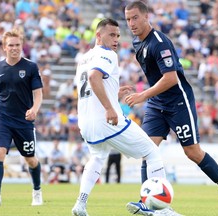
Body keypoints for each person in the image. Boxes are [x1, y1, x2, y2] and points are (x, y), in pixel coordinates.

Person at [124, 1, 218, 216]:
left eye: (135, 18)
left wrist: (142, 95)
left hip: (178, 101)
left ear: (146, 16)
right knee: (147, 150)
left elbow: (170, 78)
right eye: (128, 19)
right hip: (157, 103)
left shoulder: (160, 43)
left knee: (192, 152)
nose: (131, 23)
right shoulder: (136, 42)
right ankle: (146, 202)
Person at [71, 18, 182, 216]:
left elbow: (88, 87)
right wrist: (110, 108)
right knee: (152, 152)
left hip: (86, 122)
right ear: (98, 35)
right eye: (111, 35)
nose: (116, 40)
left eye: (118, 36)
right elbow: (94, 78)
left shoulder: (84, 58)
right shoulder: (108, 54)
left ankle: (80, 204)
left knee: (97, 158)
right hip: (107, 120)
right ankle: (161, 209)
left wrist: (114, 91)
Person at [0, 28, 43, 206]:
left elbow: (38, 94)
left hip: (24, 121)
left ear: (22, 46)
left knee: (30, 160)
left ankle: (37, 191)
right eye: (11, 45)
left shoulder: (30, 67)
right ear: (4, 47)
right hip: (3, 119)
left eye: (17, 45)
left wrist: (34, 109)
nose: (15, 48)